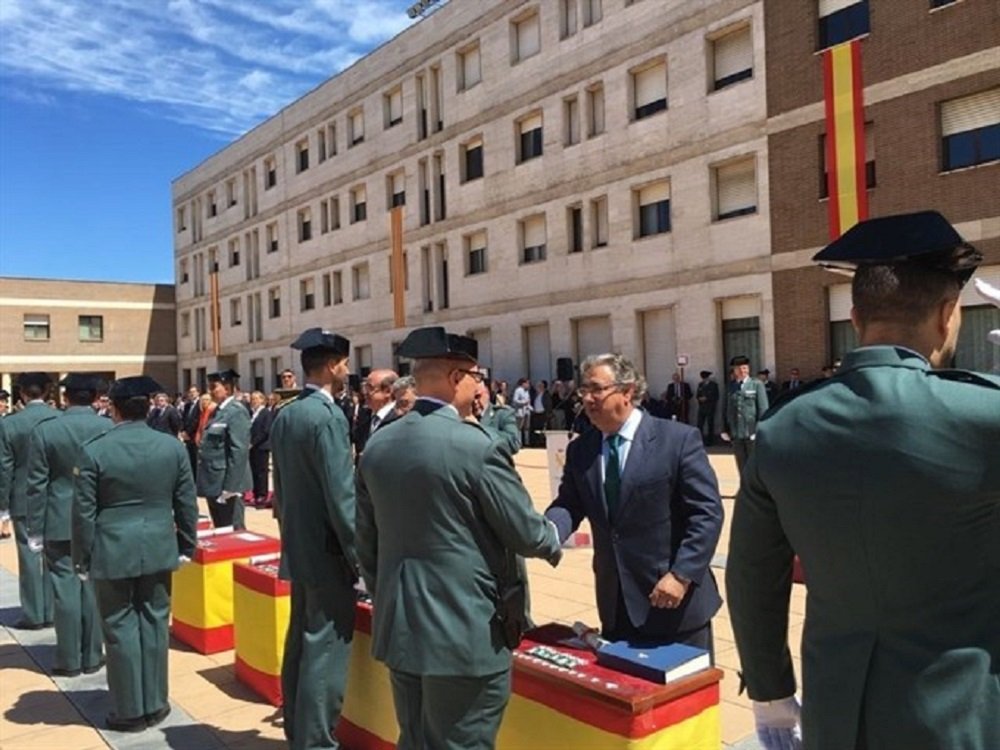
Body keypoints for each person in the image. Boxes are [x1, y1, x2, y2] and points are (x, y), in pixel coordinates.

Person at [726, 211, 1000, 749]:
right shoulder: (984, 417)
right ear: (949, 316)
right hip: (962, 715)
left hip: (837, 712)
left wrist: (771, 691)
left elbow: (753, 576)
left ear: (854, 317)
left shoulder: (783, 427)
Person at [357, 326, 562, 750]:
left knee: (414, 739)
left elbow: (367, 543)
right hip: (464, 634)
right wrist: (555, 535)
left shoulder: (378, 446)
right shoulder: (478, 447)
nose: (480, 385)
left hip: (400, 628)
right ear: (455, 378)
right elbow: (525, 532)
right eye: (476, 376)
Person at [545, 354, 723, 655]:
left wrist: (681, 575)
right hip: (616, 606)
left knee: (685, 701)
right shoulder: (581, 450)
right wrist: (545, 531)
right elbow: (569, 504)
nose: (587, 399)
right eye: (583, 391)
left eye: (596, 389)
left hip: (673, 604)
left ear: (627, 392)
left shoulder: (677, 440)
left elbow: (706, 514)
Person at [72, 375, 198, 732]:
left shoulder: (95, 449)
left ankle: (129, 710)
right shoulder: (171, 447)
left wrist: (82, 559)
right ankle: (155, 703)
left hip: (112, 549)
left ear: (114, 408)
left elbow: (83, 513)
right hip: (159, 545)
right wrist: (187, 544)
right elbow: (186, 502)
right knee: (156, 624)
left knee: (119, 627)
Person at [269, 329, 358, 750]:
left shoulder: (287, 412)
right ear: (331, 366)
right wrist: (360, 555)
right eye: (343, 363)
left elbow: (281, 491)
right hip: (327, 551)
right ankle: (316, 740)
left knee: (301, 642)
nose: (347, 370)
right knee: (324, 649)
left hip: (299, 544)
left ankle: (297, 730)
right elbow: (342, 496)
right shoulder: (327, 416)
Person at [25, 374, 110, 676]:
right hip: (98, 520)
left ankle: (69, 658)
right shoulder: (108, 428)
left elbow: (37, 485)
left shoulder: (48, 430)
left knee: (64, 590)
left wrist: (35, 528)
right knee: (92, 588)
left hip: (59, 518)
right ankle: (91, 654)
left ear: (67, 397)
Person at [0, 372, 58, 629]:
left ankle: (34, 614)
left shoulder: (10, 423)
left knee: (28, 555)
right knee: (55, 557)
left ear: (21, 393)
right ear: (47, 391)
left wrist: (3, 505)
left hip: (23, 497)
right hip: (56, 498)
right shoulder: (60, 419)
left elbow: (4, 468)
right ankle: (55, 610)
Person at [196, 369, 251, 529]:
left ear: (227, 388)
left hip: (226, 483)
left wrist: (231, 487)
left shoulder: (236, 411)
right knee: (221, 530)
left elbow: (238, 450)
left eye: (214, 387)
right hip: (214, 482)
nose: (210, 391)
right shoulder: (218, 412)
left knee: (233, 530)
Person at [722, 355, 769, 477]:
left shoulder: (756, 384)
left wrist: (759, 428)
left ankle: (757, 492)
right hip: (736, 431)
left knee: (754, 463)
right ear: (734, 370)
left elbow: (763, 409)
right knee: (741, 463)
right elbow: (725, 408)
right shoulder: (730, 387)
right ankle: (745, 490)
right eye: (739, 369)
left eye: (744, 368)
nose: (742, 371)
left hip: (752, 431)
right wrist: (724, 429)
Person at [473, 380, 521, 455]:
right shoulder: (461, 416)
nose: (475, 402)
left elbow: (513, 443)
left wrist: (480, 430)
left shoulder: (502, 414)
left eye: (478, 396)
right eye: (471, 398)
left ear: (487, 394)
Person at [248, 390, 273, 508]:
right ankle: (255, 494)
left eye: (256, 399)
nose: (254, 401)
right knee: (254, 471)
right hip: (252, 447)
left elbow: (265, 431)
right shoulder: (252, 413)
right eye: (252, 399)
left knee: (261, 472)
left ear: (262, 400)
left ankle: (262, 495)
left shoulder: (265, 413)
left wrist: (253, 442)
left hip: (261, 447)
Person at [695, 370, 720, 446]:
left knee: (710, 424)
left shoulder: (714, 385)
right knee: (700, 424)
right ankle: (700, 440)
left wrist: (707, 398)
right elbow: (697, 395)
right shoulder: (700, 385)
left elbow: (716, 396)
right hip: (702, 407)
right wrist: (699, 399)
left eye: (705, 378)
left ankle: (710, 441)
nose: (704, 379)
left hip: (710, 407)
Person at [511, 378, 532, 447]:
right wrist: (523, 402)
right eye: (527, 383)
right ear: (523, 383)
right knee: (519, 428)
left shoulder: (527, 391)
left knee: (527, 428)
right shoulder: (518, 390)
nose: (528, 385)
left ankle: (527, 442)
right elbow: (515, 401)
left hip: (526, 411)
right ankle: (519, 443)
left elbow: (528, 401)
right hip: (520, 412)